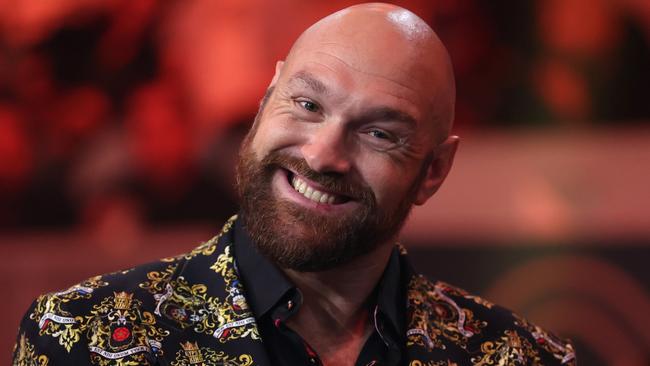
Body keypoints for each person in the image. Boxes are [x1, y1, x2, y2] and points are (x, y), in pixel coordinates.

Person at [13, 3, 576, 365]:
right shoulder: (79, 339)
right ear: (264, 101)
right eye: (306, 104)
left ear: (434, 171)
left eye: (379, 133)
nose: (323, 153)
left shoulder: (517, 357)